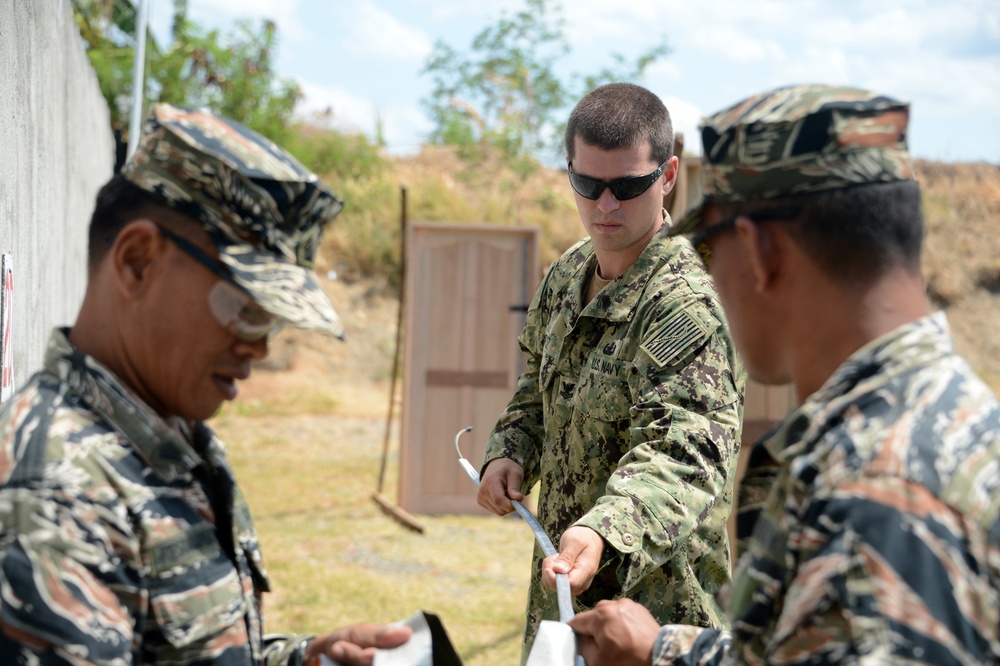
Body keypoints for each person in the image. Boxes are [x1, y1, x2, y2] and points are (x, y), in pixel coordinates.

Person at [568, 84, 1000, 665]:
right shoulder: (954, 420)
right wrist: (665, 650)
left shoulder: (871, 490)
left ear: (758, 251)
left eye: (710, 250)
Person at [0, 105, 411, 665]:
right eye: (244, 308)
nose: (260, 346)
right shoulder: (52, 496)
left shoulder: (163, 434)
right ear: (138, 261)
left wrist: (301, 659)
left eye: (271, 319)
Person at [476, 82, 745, 662]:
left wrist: (605, 528)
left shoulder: (685, 302)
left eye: (627, 187)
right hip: (564, 604)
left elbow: (686, 454)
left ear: (668, 175)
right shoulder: (569, 273)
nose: (604, 206)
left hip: (658, 617)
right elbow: (536, 387)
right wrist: (510, 449)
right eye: (587, 184)